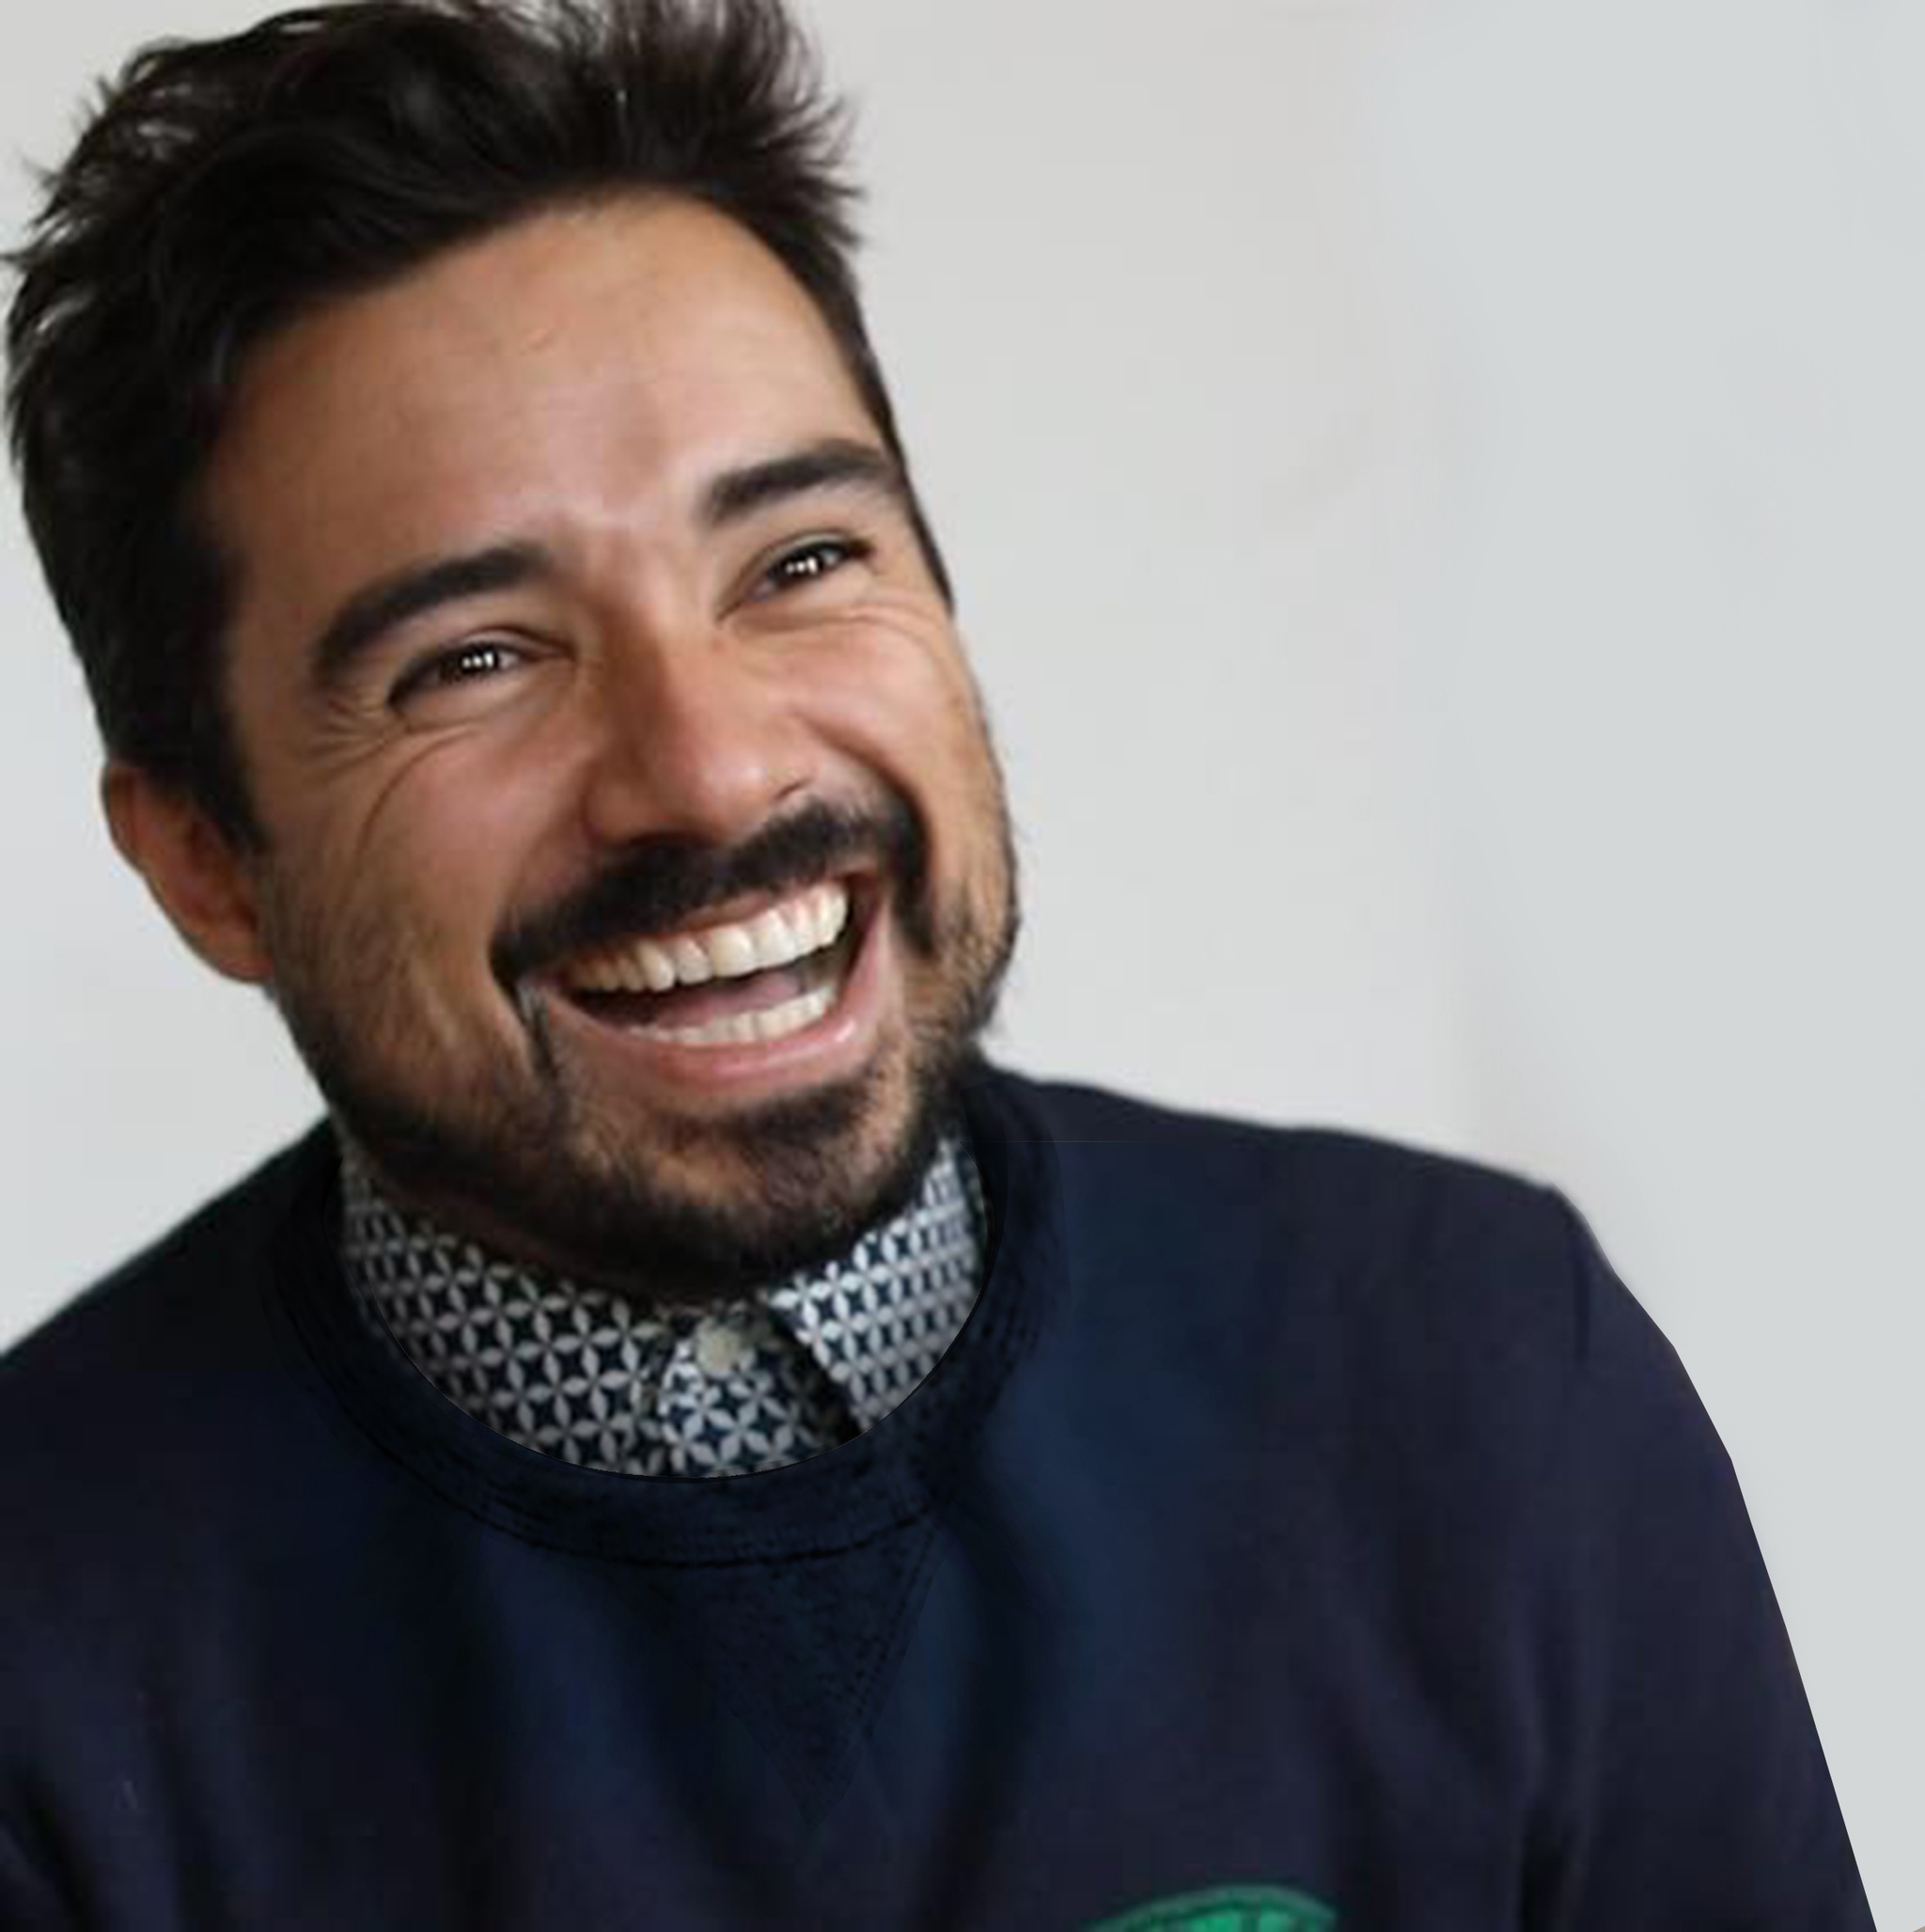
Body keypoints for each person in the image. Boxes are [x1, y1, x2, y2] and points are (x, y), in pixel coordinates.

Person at [0, 1, 1871, 1925]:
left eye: (801, 560)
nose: (711, 766)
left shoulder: (1478, 1375)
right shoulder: (41, 1658)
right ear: (208, 861)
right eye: (472, 657)